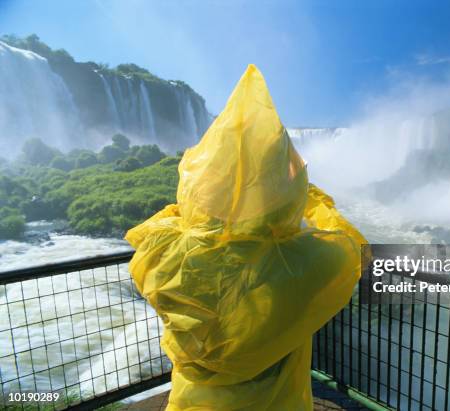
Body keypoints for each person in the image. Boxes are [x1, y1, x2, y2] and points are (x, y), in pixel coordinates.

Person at [126, 64, 365, 410]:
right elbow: (352, 248)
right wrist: (314, 201)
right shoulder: (303, 263)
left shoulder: (163, 251)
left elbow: (151, 228)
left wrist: (196, 213)